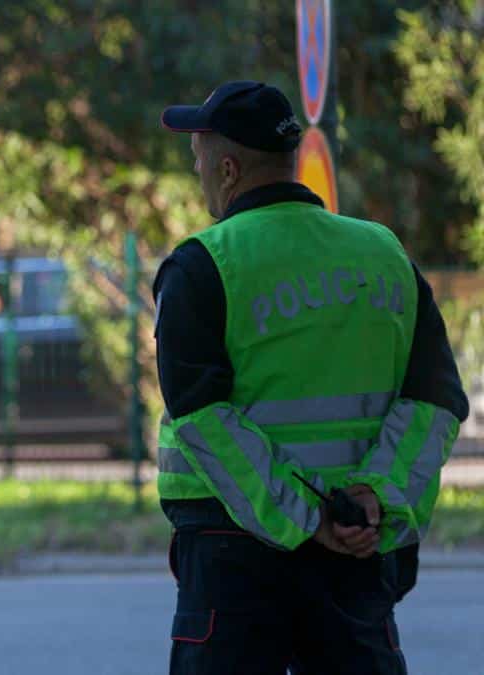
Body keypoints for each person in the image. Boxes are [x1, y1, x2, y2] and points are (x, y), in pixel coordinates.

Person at [154, 81, 468, 674]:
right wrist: (376, 495)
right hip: (357, 545)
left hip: (236, 555)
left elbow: (202, 417)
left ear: (227, 168)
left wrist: (305, 518)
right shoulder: (384, 253)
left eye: (197, 160)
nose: (198, 175)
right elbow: (436, 400)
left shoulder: (202, 265)